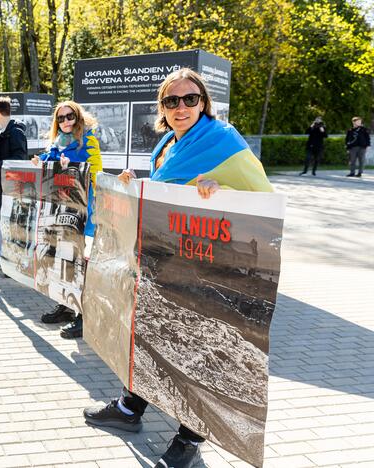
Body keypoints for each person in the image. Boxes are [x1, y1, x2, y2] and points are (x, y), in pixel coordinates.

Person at [84, 68, 273, 468]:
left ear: (203, 102)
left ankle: (189, 439)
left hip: (207, 270)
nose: (181, 107)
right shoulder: (167, 145)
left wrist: (225, 192)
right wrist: (132, 185)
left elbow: (262, 199)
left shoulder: (224, 141)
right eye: (172, 101)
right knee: (151, 339)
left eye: (190, 99)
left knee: (199, 348)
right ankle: (130, 407)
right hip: (162, 264)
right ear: (163, 109)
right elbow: (167, 194)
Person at [31, 101, 102, 339]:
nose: (65, 121)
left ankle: (83, 316)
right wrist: (39, 160)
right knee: (61, 257)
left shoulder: (88, 139)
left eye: (70, 116)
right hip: (58, 209)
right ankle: (65, 305)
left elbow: (95, 172)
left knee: (80, 260)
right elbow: (48, 162)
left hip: (82, 211)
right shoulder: (56, 142)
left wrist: (71, 166)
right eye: (60, 118)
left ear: (78, 116)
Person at [0, 96, 28, 267]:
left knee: (9, 223)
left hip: (10, 187)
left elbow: (21, 158)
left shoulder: (16, 132)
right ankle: (3, 257)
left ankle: (9, 261)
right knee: (0, 221)